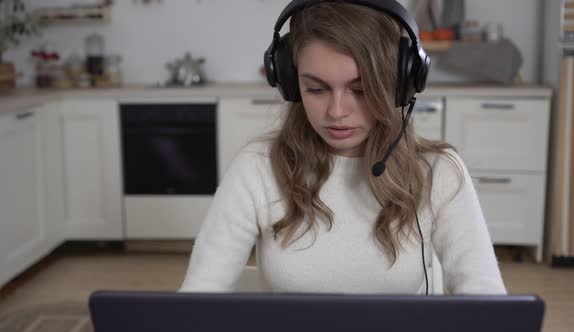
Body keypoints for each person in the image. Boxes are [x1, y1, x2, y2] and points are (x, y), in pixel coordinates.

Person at [180, 0, 506, 295]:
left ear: (397, 84)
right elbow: (199, 297)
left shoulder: (439, 172)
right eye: (316, 89)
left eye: (360, 90)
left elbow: (488, 304)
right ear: (292, 85)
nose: (336, 112)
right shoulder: (256, 168)